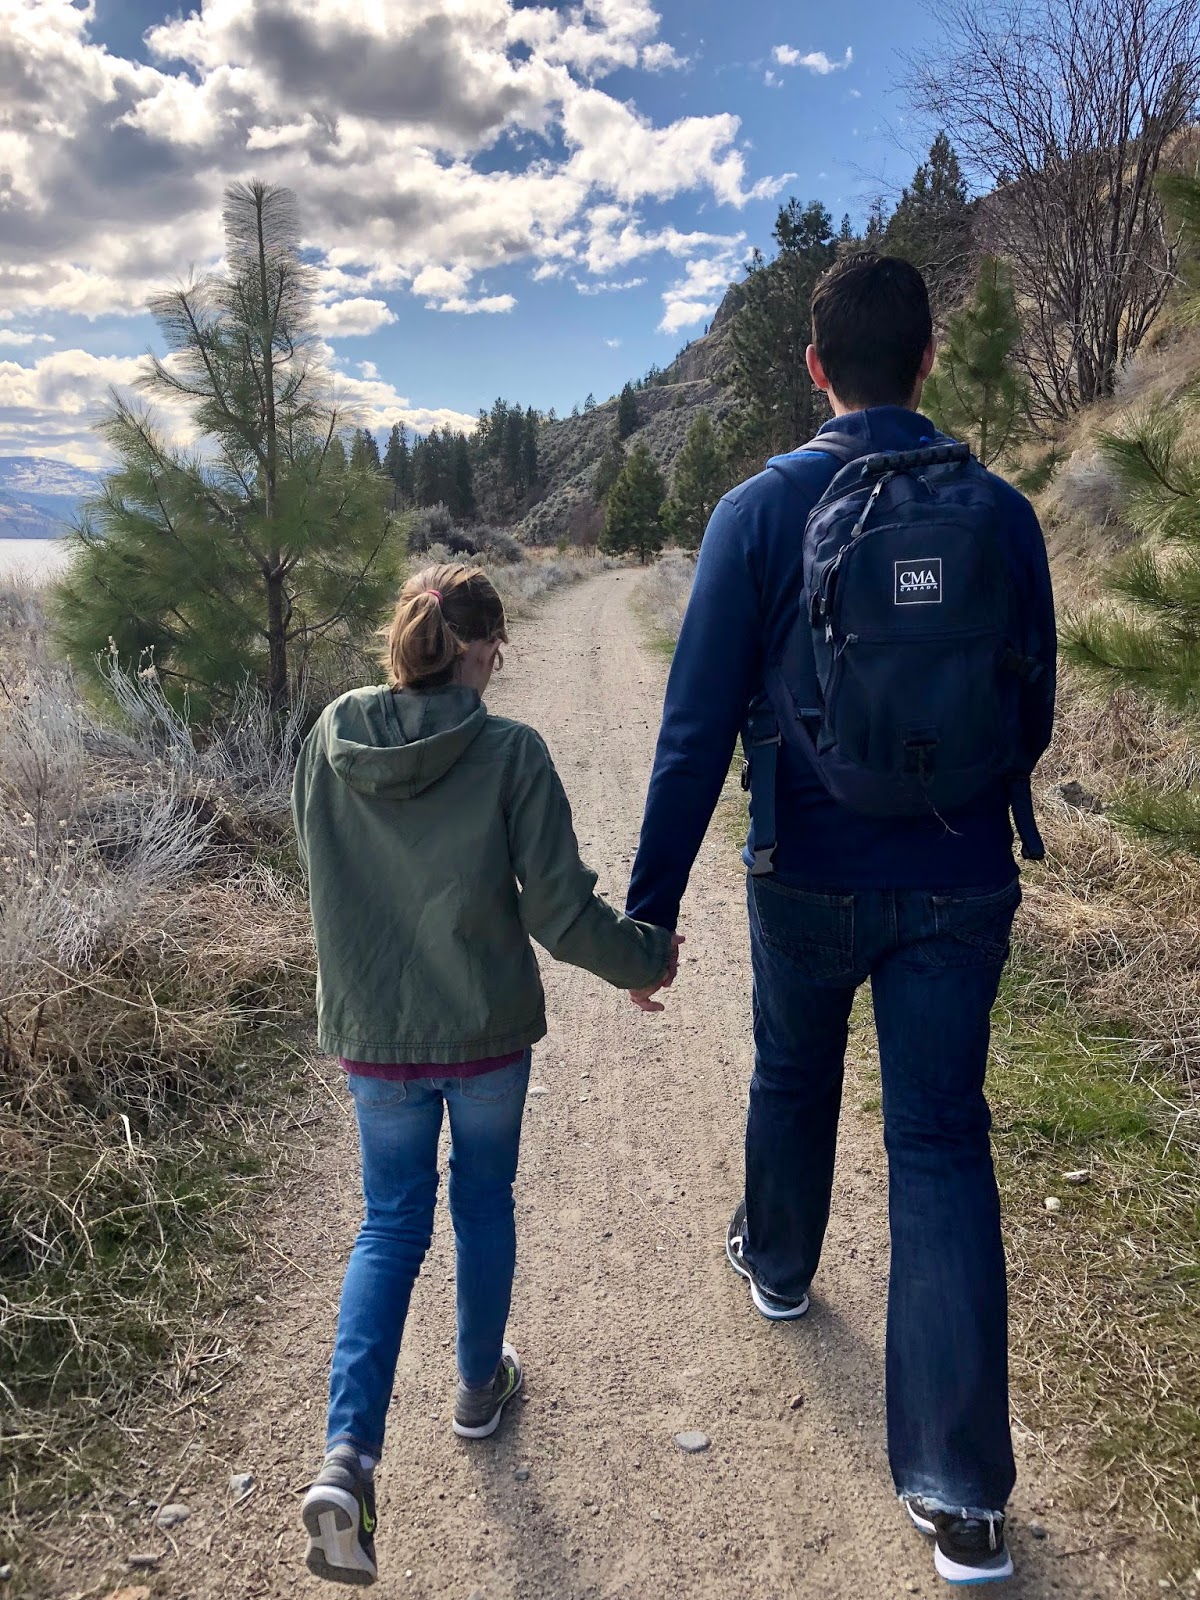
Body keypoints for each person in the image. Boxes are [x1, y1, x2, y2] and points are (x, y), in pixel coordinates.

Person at [625, 254, 1056, 1588]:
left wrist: (650, 912)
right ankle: (962, 1499)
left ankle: (778, 1263)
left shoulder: (757, 511)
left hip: (803, 867)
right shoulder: (1001, 511)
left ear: (815, 369)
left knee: (794, 1070)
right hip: (960, 878)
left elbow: (695, 729)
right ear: (928, 359)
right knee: (940, 1142)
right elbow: (1031, 704)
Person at [293, 563, 680, 1587]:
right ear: (478, 649)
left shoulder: (329, 735)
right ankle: (476, 1387)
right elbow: (558, 911)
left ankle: (348, 1459)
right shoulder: (509, 751)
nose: (499, 664)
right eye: (496, 649)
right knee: (482, 1202)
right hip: (483, 1035)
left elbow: (321, 871)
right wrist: (644, 961)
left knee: (389, 1224)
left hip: (376, 1033)